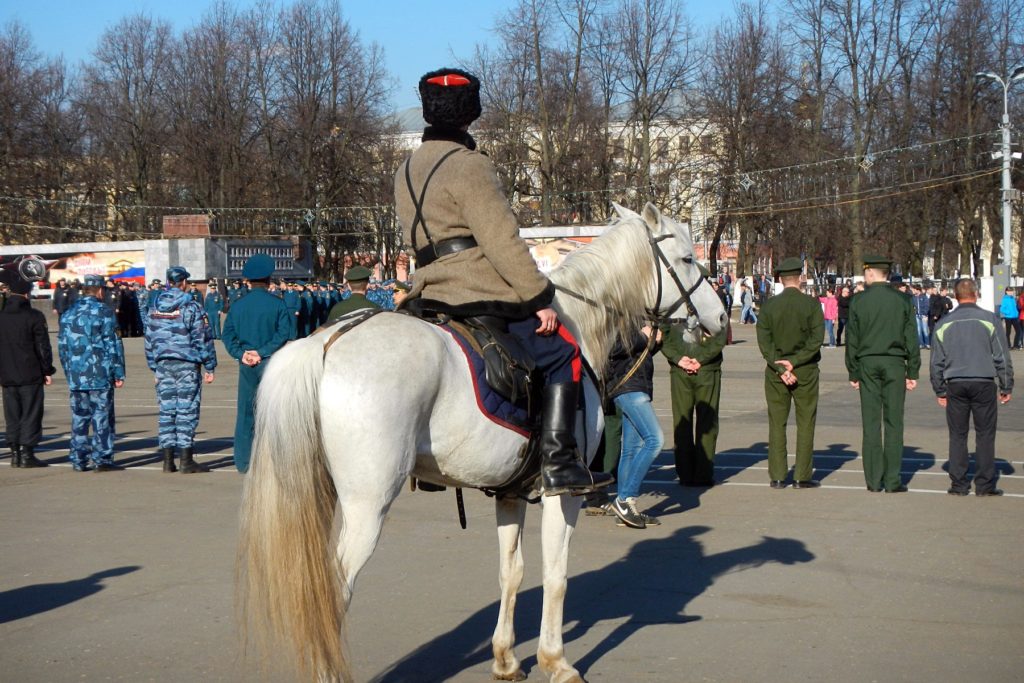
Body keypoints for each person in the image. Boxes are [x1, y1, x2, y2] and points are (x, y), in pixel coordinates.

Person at [394, 67, 611, 496]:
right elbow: (501, 242)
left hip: (427, 292)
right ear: (470, 114)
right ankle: (560, 462)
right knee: (560, 352)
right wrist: (539, 298)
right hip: (473, 289)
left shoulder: (406, 169)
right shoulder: (469, 165)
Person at [930, 279, 1014, 496]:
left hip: (955, 383)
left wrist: (939, 389)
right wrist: (1006, 385)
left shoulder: (944, 323)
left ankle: (959, 484)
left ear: (955, 297)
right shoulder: (990, 320)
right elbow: (1002, 357)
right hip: (983, 381)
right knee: (985, 434)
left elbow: (936, 361)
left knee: (957, 434)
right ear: (976, 294)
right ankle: (984, 485)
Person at [844, 255, 920, 493]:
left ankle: (874, 480)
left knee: (871, 423)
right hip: (895, 363)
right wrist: (913, 370)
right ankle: (893, 480)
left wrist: (853, 372)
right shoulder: (903, 300)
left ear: (870, 273)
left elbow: (852, 340)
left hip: (867, 362)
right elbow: (911, 338)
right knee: (894, 422)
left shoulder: (858, 301)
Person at [756, 257, 825, 489]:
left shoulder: (768, 306)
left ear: (780, 279)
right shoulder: (812, 305)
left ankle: (777, 476)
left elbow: (764, 343)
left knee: (777, 422)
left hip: (775, 372)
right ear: (800, 278)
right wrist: (794, 363)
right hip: (805, 370)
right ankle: (802, 476)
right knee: (806, 422)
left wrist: (780, 367)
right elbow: (816, 340)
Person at [221, 254, 293, 473]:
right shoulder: (278, 304)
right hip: (270, 362)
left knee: (245, 413)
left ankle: (244, 462)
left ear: (248, 281)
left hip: (247, 364)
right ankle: (275, 461)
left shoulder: (238, 305)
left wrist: (242, 354)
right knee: (274, 412)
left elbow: (228, 335)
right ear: (269, 279)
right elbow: (283, 333)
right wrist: (262, 352)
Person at [145, 266, 217, 474]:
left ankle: (168, 461)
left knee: (167, 411)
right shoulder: (191, 308)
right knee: (186, 411)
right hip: (186, 365)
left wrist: (153, 366)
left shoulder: (154, 308)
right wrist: (209, 365)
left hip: (163, 365)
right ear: (184, 282)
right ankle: (186, 460)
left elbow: (149, 340)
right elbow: (202, 339)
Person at [57, 274, 126, 471]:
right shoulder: (104, 311)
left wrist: (68, 370)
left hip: (77, 375)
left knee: (79, 417)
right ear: (100, 290)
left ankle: (78, 459)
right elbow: (113, 344)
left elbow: (62, 347)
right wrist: (119, 372)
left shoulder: (69, 312)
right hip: (99, 373)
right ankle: (102, 459)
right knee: (101, 417)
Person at [605, 323, 664, 528]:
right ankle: (625, 498)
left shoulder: (639, 313)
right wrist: (642, 336)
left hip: (637, 384)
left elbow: (641, 352)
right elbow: (611, 348)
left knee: (630, 450)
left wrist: (655, 340)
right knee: (655, 440)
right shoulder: (617, 313)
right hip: (627, 386)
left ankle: (626, 507)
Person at [661, 310, 727, 487]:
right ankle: (702, 473)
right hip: (705, 369)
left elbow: (663, 335)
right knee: (706, 420)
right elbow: (721, 334)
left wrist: (679, 358)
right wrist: (700, 359)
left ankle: (685, 473)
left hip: (683, 369)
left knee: (682, 420)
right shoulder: (708, 301)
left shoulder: (671, 305)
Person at [0, 266, 55, 468]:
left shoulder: (2, 317)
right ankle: (27, 454)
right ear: (26, 294)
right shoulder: (34, 316)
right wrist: (47, 370)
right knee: (31, 412)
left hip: (7, 374)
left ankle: (14, 452)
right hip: (30, 372)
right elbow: (43, 347)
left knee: (12, 413)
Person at [998, 287, 1021, 351]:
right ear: (1006, 292)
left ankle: (1015, 345)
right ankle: (1008, 346)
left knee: (1018, 331)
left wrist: (1016, 313)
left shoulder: (1013, 298)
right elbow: (1001, 309)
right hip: (1008, 318)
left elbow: (1015, 307)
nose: (1010, 292)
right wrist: (1008, 312)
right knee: (1008, 332)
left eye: (1011, 291)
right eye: (1009, 291)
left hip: (1014, 317)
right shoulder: (1005, 299)